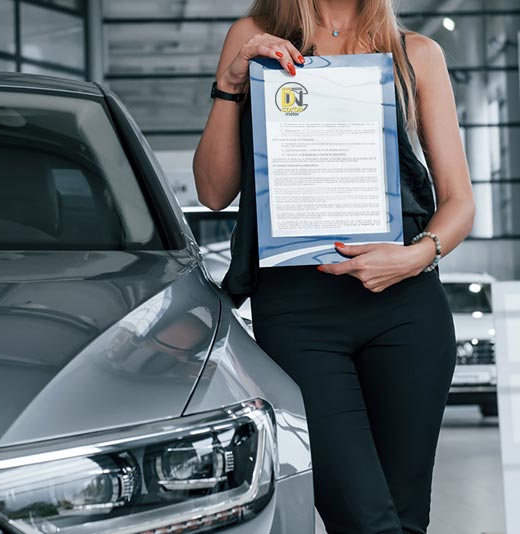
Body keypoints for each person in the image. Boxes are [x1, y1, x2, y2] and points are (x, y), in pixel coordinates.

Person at [193, 0, 475, 533]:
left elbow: (459, 201)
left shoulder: (416, 54)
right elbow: (212, 191)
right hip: (298, 316)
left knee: (406, 518)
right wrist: (232, 80)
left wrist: (417, 255)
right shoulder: (253, 38)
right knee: (363, 521)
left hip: (406, 307)